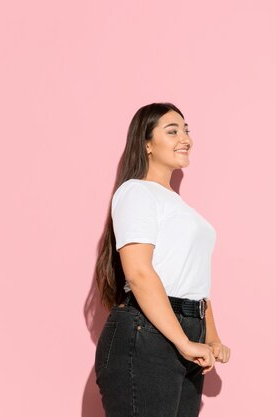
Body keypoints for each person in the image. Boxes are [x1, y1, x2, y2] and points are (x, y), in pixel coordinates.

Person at [94, 103, 230, 417]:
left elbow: (193, 278)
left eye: (186, 130)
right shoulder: (137, 192)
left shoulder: (177, 204)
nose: (185, 138)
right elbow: (140, 273)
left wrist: (211, 335)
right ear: (146, 144)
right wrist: (183, 342)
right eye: (172, 131)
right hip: (147, 332)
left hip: (181, 328)